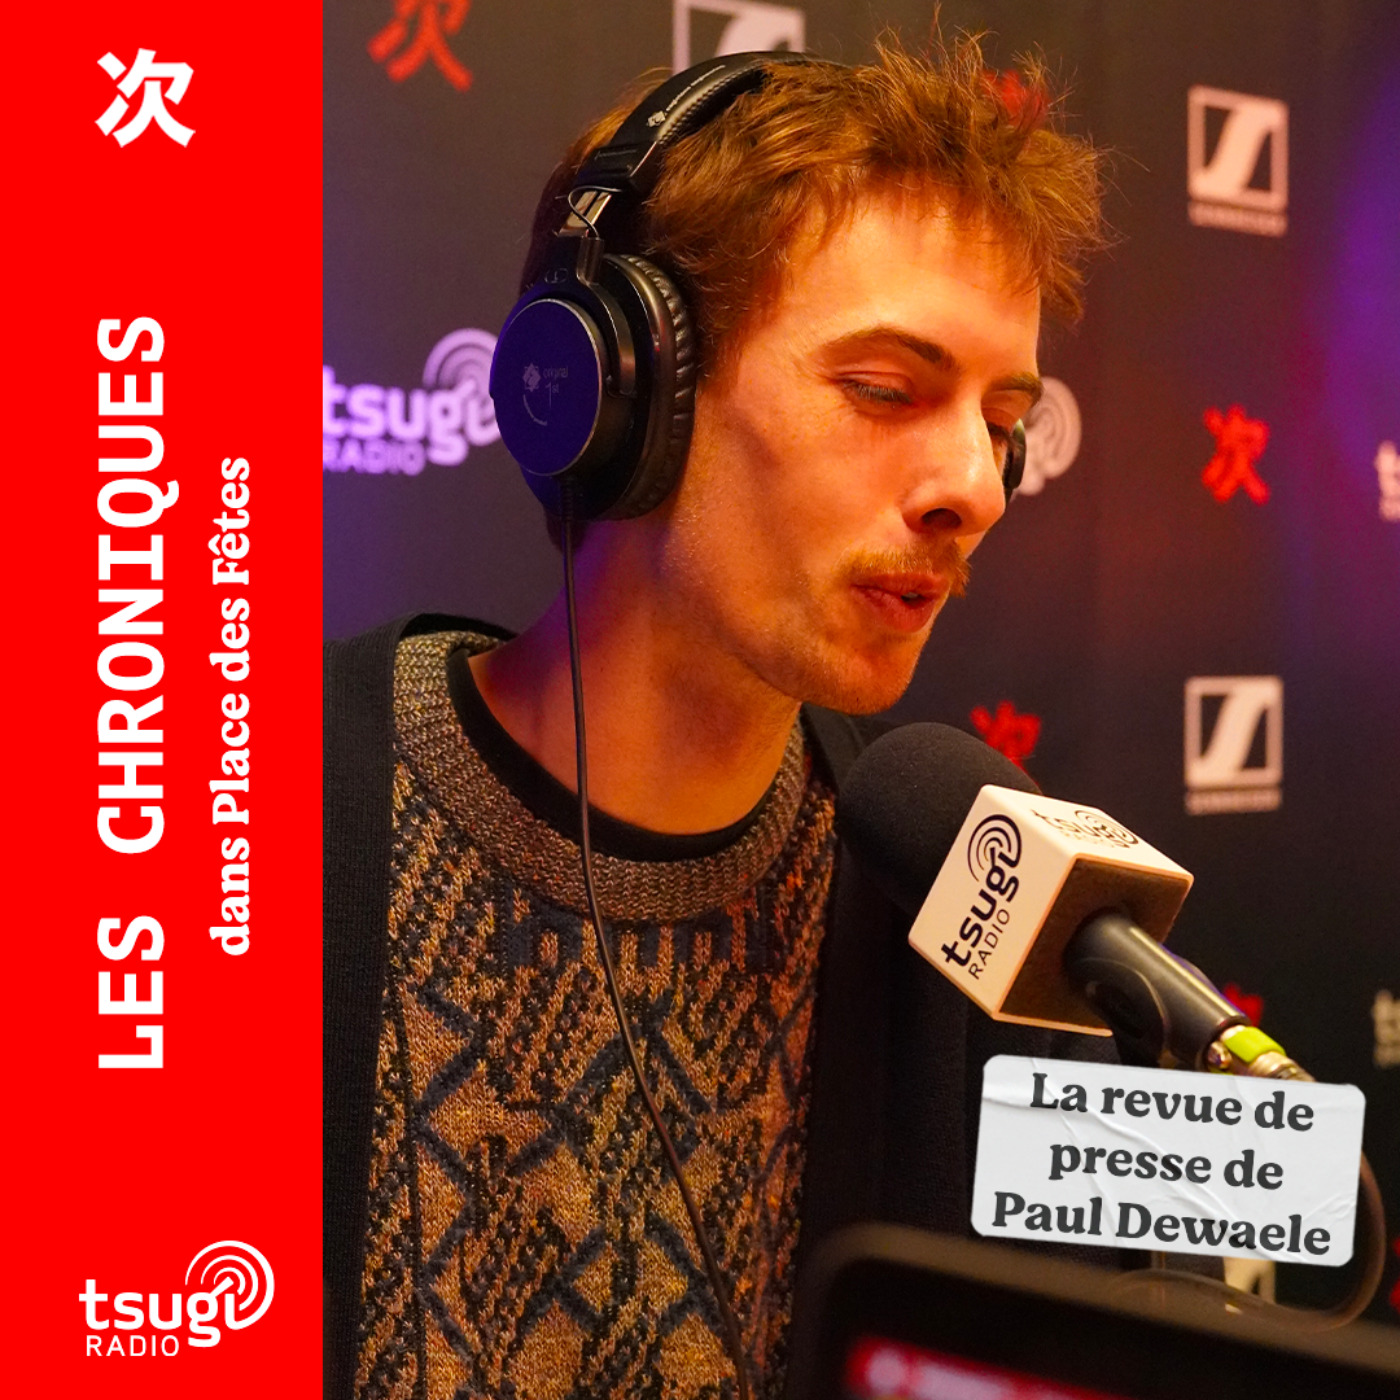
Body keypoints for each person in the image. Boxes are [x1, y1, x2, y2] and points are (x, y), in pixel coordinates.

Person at [325, 35, 1107, 1400]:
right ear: (615, 390)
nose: (976, 488)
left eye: (1002, 419)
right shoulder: (229, 807)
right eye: (885, 391)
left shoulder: (967, 896)